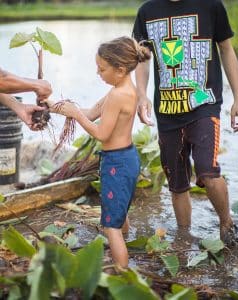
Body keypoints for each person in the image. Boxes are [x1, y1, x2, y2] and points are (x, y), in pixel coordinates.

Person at [133, 0, 238, 246]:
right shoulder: (147, 12)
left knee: (208, 171)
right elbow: (143, 58)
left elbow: (226, 49)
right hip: (167, 110)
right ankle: (184, 237)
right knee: (177, 182)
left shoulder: (211, 6)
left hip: (204, 104)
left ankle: (226, 223)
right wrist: (141, 94)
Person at [46, 36, 151, 267]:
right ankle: (123, 247)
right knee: (120, 214)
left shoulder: (116, 95)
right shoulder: (125, 89)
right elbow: (92, 112)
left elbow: (101, 133)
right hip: (127, 158)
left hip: (117, 162)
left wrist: (76, 115)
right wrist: (53, 106)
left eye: (102, 69)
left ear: (120, 69)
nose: (98, 73)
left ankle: (122, 272)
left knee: (110, 226)